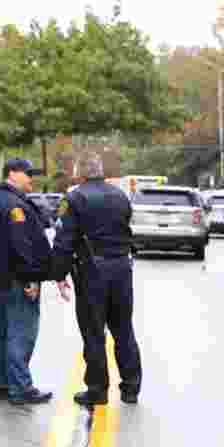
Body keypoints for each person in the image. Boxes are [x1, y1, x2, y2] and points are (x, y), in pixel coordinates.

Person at [51, 154, 142, 406]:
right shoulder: (120, 196)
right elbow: (126, 230)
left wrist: (58, 274)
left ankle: (97, 389)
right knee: (123, 328)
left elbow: (64, 240)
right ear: (101, 172)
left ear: (80, 173)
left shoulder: (74, 198)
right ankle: (131, 387)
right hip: (122, 268)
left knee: (93, 333)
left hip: (93, 270)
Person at [0, 158, 60, 406]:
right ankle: (21, 387)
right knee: (20, 334)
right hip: (17, 280)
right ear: (12, 174)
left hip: (0, 280)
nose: (31, 179)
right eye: (28, 174)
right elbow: (21, 246)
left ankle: (2, 384)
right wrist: (31, 277)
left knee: (1, 334)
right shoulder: (14, 206)